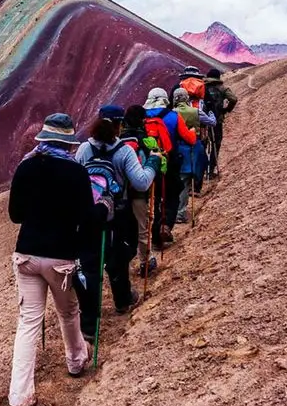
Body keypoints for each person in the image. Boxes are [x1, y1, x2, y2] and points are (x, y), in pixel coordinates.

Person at [6, 113, 98, 406]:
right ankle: (75, 361)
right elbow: (86, 218)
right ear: (68, 143)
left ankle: (19, 396)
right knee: (68, 311)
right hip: (60, 256)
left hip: (26, 254)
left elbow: (15, 215)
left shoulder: (26, 166)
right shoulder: (75, 172)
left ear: (43, 140)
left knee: (28, 321)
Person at [73, 105, 161, 338]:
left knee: (90, 266)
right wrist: (153, 163)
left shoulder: (84, 148)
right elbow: (141, 183)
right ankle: (122, 299)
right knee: (118, 258)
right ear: (119, 125)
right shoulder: (124, 151)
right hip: (116, 214)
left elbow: (77, 176)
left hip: (88, 214)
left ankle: (89, 324)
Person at [143, 88, 196, 256]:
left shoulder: (142, 117)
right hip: (170, 162)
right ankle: (165, 225)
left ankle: (152, 234)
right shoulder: (173, 116)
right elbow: (189, 139)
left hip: (147, 164)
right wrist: (193, 131)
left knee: (153, 198)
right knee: (171, 194)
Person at [120, 105, 159, 275]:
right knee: (143, 227)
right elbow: (158, 164)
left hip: (118, 194)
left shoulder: (117, 140)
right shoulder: (146, 141)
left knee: (121, 229)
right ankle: (145, 261)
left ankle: (121, 265)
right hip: (139, 192)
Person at [172, 88, 206, 223]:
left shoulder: (172, 113)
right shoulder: (195, 111)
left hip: (176, 149)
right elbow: (210, 122)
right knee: (186, 181)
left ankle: (173, 212)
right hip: (192, 148)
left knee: (177, 180)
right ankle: (180, 213)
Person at [203, 68, 238, 178]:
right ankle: (211, 170)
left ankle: (201, 169)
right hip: (217, 120)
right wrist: (226, 109)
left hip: (203, 121)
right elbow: (233, 99)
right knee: (215, 144)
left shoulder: (202, 87)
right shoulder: (222, 88)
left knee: (203, 144)